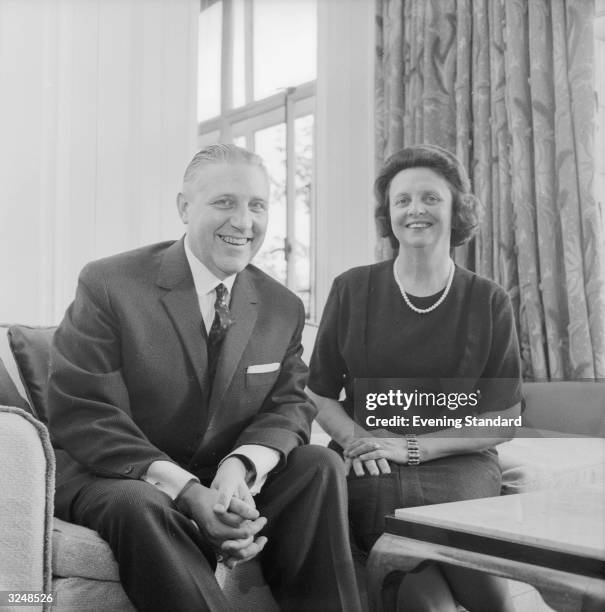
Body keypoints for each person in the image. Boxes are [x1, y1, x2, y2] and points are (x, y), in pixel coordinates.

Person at [47, 144, 362, 612]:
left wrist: (240, 468)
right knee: (141, 505)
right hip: (119, 475)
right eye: (224, 202)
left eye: (257, 205)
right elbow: (86, 411)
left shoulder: (282, 306)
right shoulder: (109, 284)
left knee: (319, 465)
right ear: (184, 208)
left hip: (222, 472)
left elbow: (291, 404)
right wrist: (190, 493)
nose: (243, 221)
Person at [307, 144, 522, 612]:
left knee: (471, 574)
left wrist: (414, 447)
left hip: (456, 461)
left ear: (456, 209)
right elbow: (318, 392)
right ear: (388, 213)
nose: (415, 210)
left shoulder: (488, 299)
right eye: (402, 200)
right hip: (367, 462)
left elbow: (504, 417)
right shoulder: (351, 288)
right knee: (425, 598)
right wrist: (359, 439)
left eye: (430, 198)